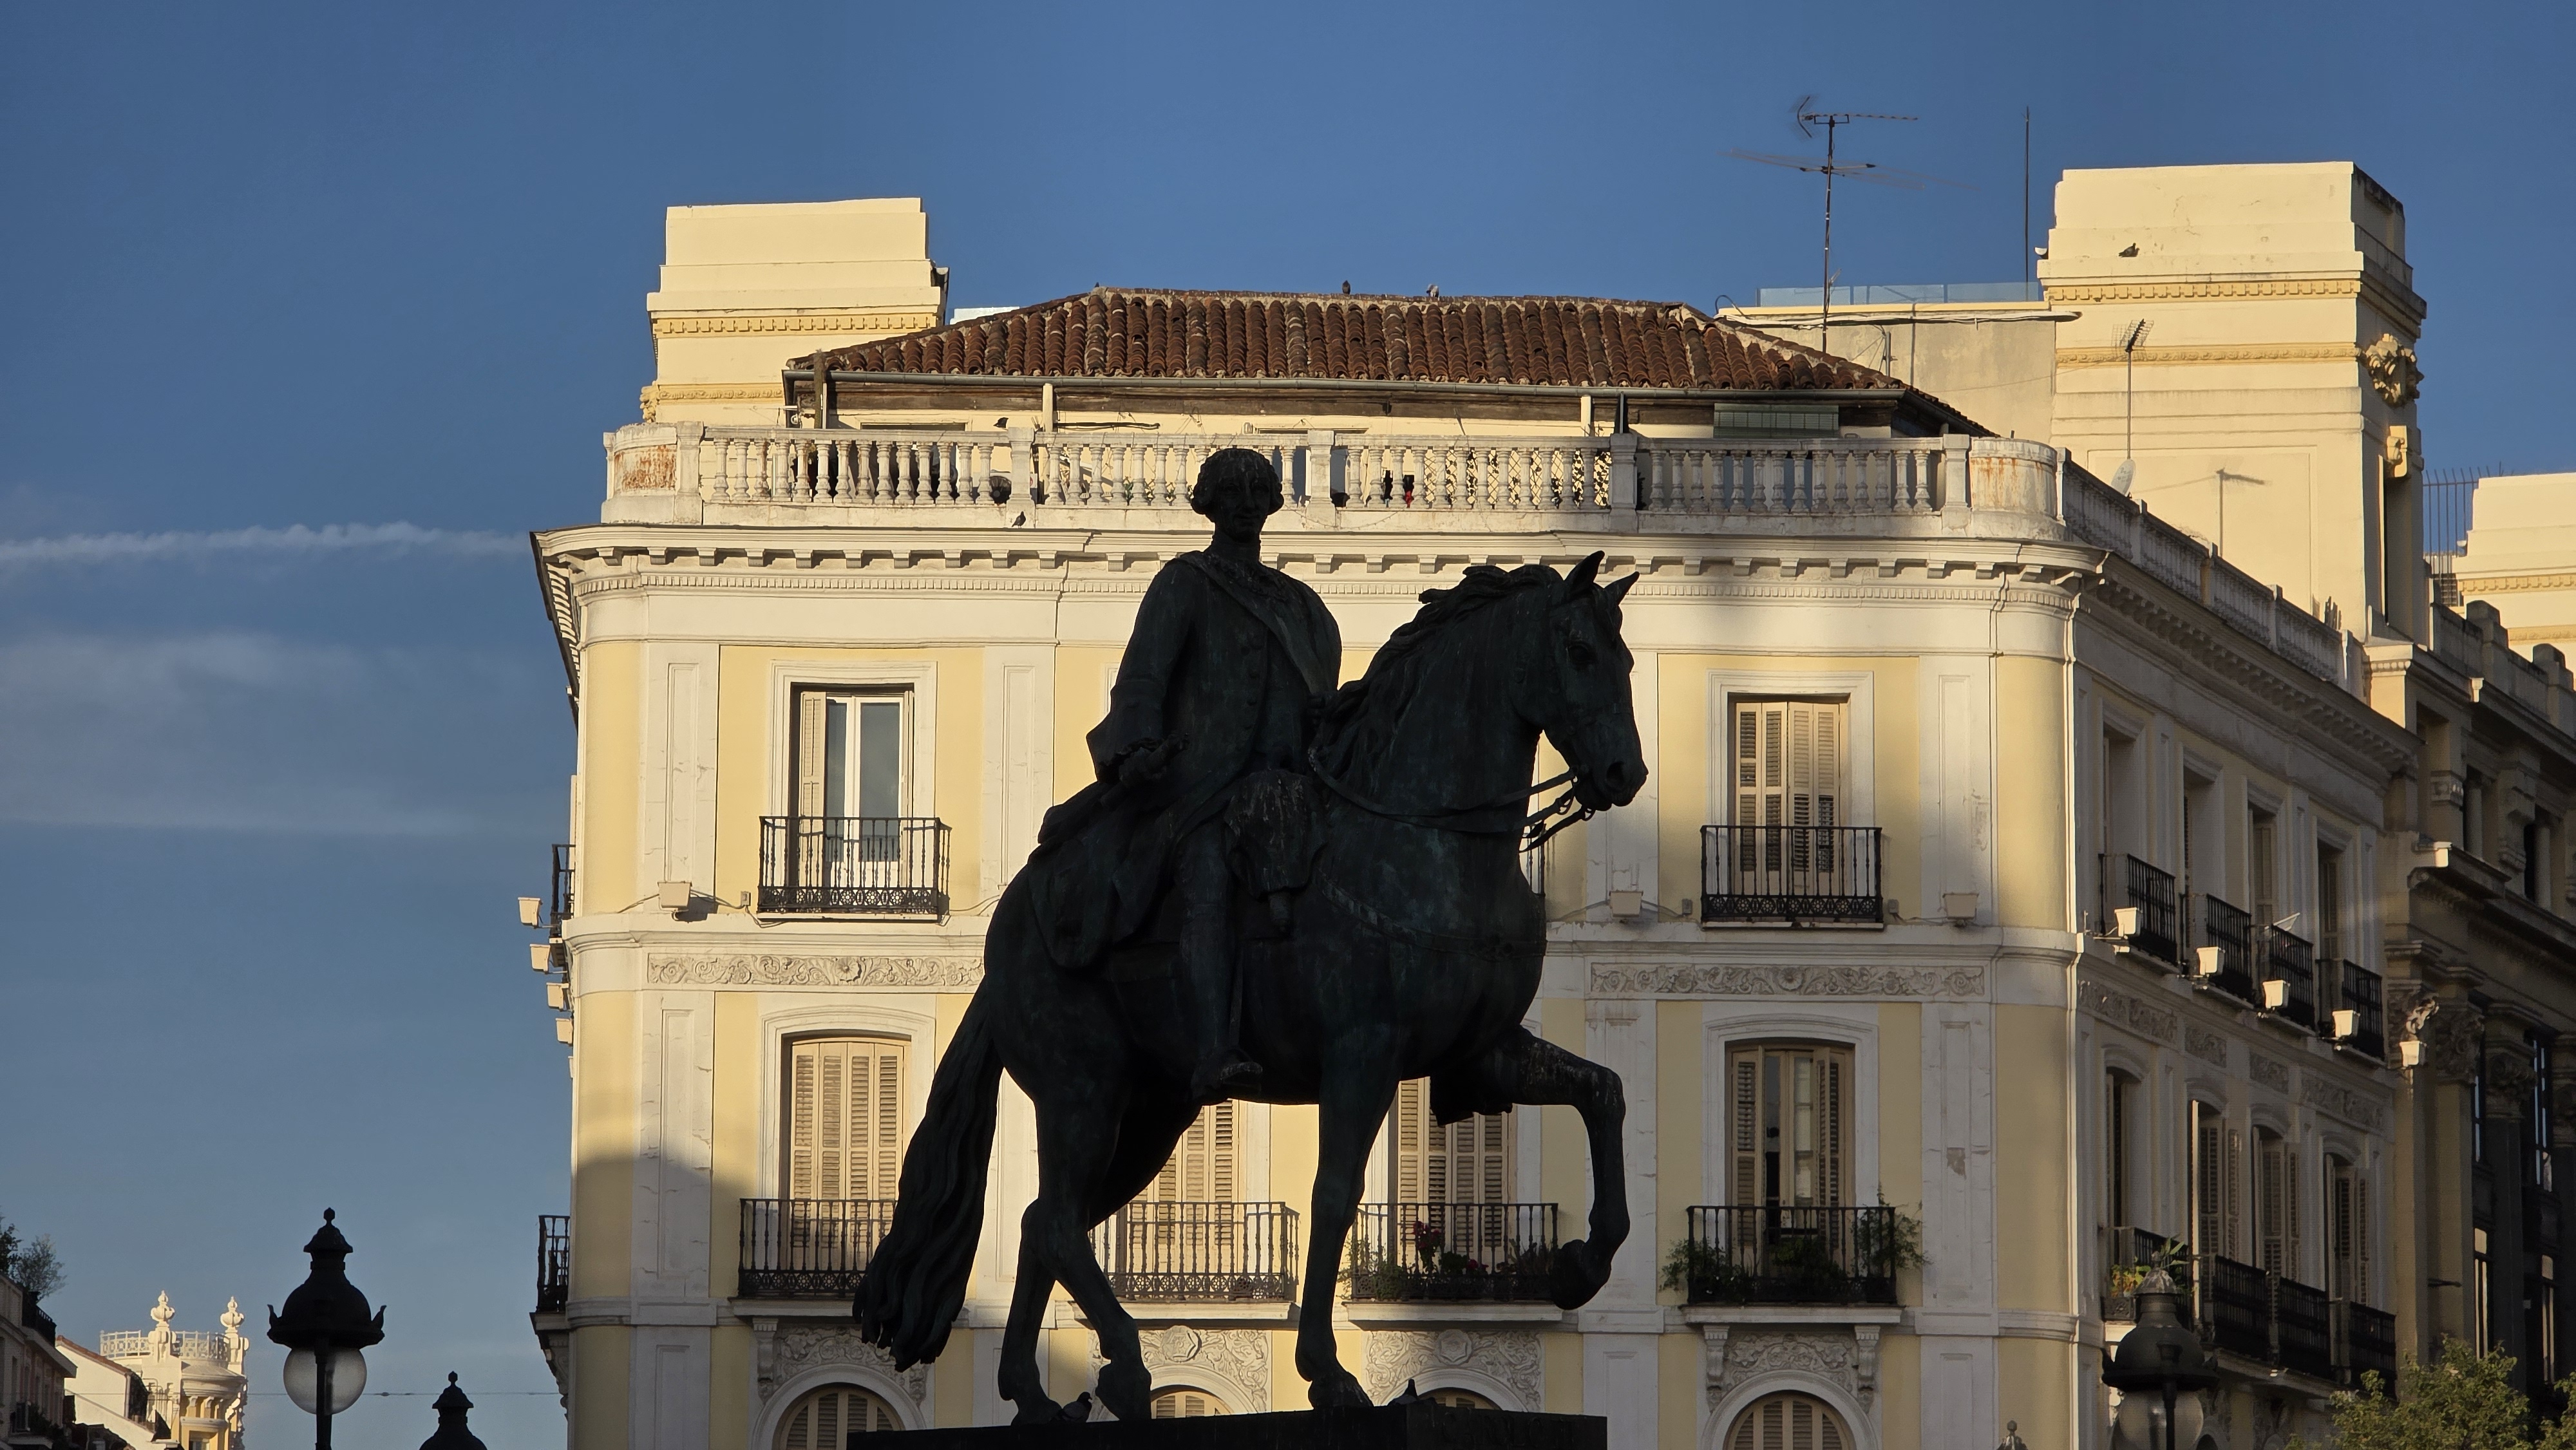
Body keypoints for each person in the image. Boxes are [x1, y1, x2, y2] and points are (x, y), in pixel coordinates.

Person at [1056, 447, 1341, 1102]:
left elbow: (1319, 700)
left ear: (1271, 503)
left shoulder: (1302, 605)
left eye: (1256, 492)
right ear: (1209, 504)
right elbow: (1142, 681)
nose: (1244, 504)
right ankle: (1215, 1046)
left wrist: (1327, 718)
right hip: (1205, 788)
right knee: (1209, 875)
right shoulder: (1184, 583)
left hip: (1292, 788)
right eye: (1230, 492)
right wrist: (1138, 748)